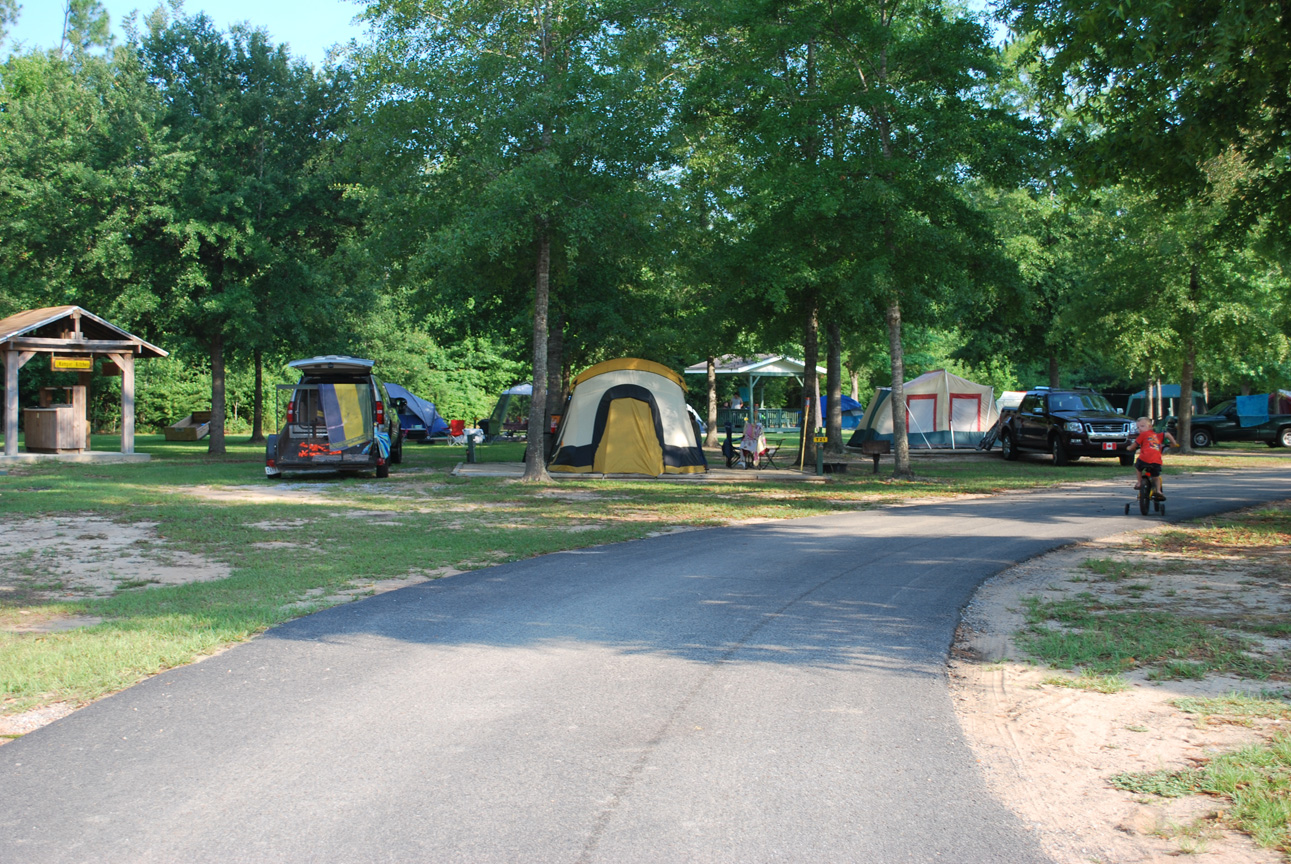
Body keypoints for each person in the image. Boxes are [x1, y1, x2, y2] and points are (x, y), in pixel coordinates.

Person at [1126, 416, 1177, 500]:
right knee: (1156, 477)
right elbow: (1167, 434)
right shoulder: (1157, 435)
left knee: (1138, 467)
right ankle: (1158, 491)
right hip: (1156, 461)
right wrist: (1174, 443)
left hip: (1144, 459)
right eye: (1138, 427)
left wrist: (1129, 448)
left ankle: (1139, 483)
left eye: (1142, 426)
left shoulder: (1142, 435)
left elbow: (1133, 446)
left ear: (1150, 427)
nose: (1140, 429)